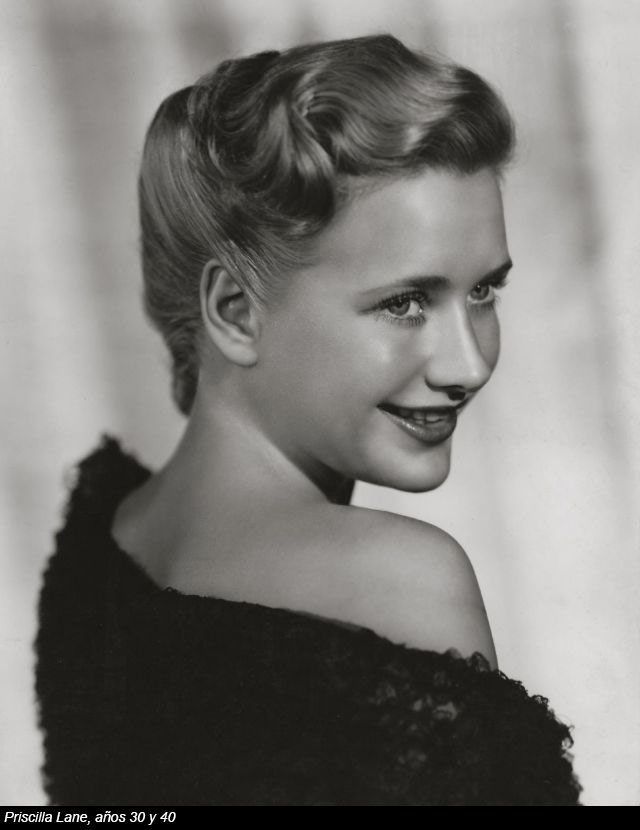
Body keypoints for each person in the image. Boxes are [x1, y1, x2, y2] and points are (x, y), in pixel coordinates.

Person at [35, 34, 582, 806]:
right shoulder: (400, 581)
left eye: (484, 292)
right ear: (236, 310)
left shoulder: (104, 534)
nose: (468, 365)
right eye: (406, 302)